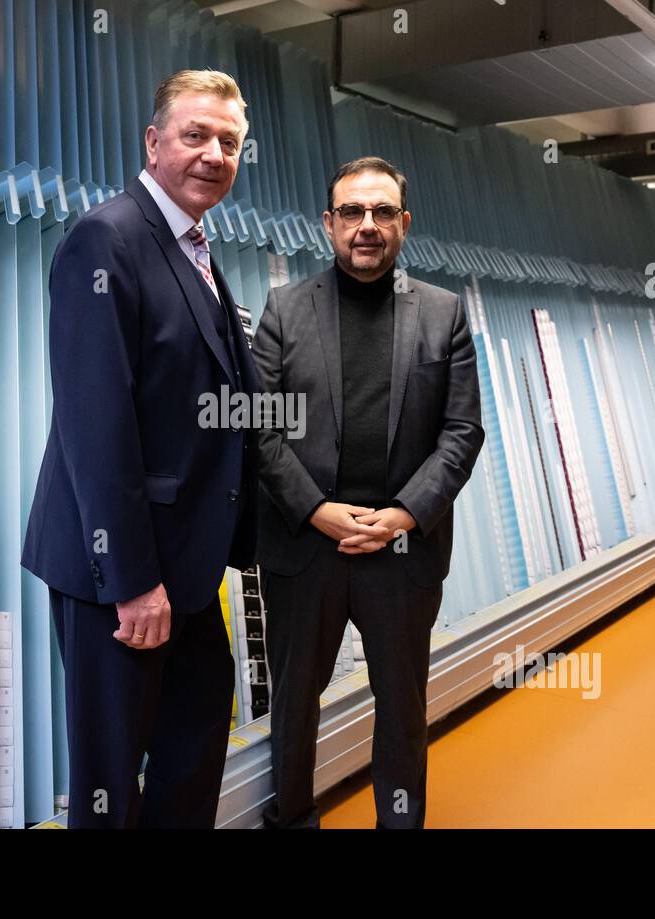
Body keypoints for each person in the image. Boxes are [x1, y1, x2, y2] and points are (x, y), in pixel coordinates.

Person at [21, 70, 258, 828]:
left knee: (193, 747)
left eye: (229, 141)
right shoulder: (109, 238)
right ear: (153, 143)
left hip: (184, 564)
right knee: (110, 779)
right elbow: (96, 424)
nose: (214, 154)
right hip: (117, 574)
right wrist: (131, 581)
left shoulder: (195, 247)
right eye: (196, 135)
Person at [252, 156, 485, 828]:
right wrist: (319, 511)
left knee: (403, 707)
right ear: (328, 223)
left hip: (400, 550)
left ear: (404, 224)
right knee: (295, 704)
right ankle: (292, 818)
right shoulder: (285, 311)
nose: (367, 226)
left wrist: (402, 514)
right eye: (352, 211)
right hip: (305, 548)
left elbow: (462, 431)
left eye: (383, 212)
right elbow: (260, 433)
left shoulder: (443, 313)